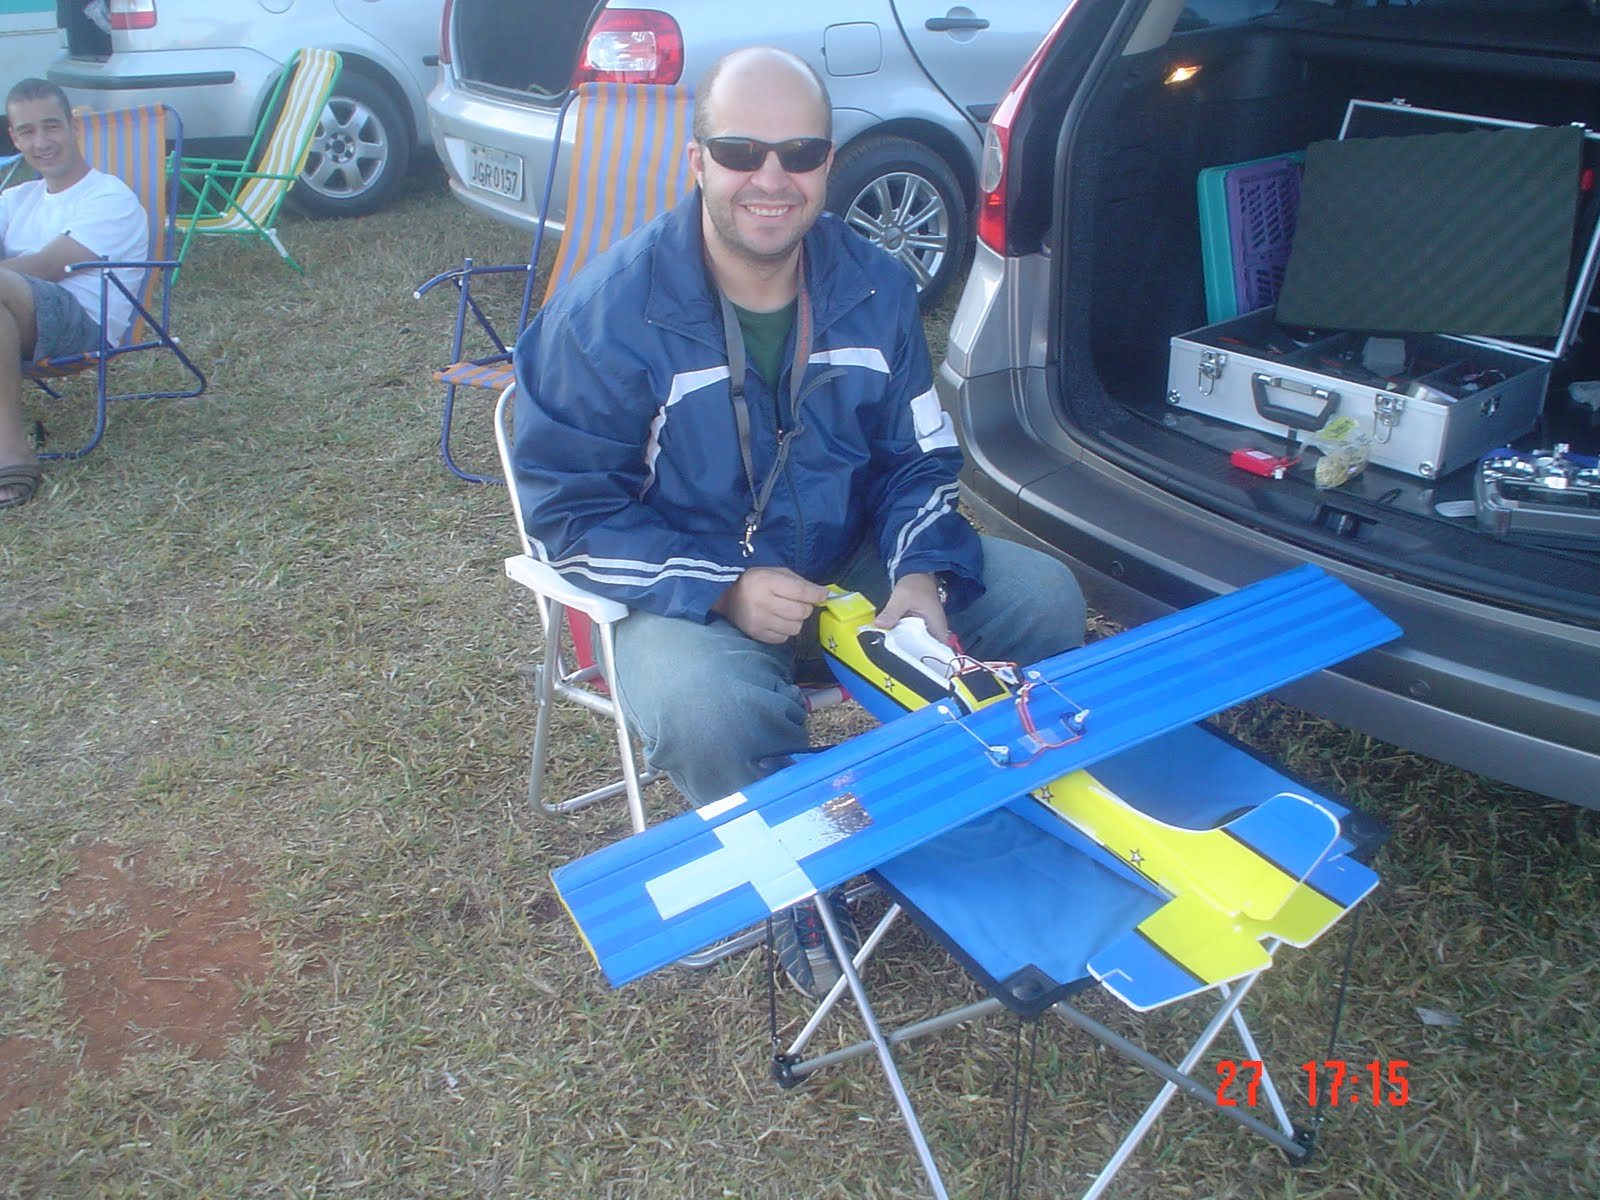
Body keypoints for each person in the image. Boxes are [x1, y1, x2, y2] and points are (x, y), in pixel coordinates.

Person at [511, 47, 1086, 996]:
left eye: (801, 153)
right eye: (740, 151)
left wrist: (918, 573)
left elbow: (917, 456)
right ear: (697, 161)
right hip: (688, 594)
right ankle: (800, 876)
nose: (771, 179)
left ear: (828, 162)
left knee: (1044, 598)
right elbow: (568, 514)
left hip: (850, 567)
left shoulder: (876, 286)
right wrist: (723, 588)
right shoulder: (605, 318)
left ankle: (953, 806)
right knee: (708, 710)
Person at [0, 78, 149, 509]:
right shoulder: (15, 199)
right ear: (14, 138)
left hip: (82, 323)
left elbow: (49, 267)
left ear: (74, 126)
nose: (41, 142)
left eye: (52, 126)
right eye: (27, 131)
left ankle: (11, 452)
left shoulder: (109, 195)